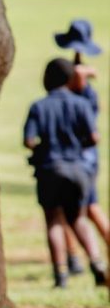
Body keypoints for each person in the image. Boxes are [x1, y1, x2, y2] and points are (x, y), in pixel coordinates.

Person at [24, 59, 105, 288]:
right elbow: (94, 137)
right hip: (78, 169)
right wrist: (78, 145)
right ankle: (97, 263)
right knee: (78, 218)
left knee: (54, 221)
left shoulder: (39, 106)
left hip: (50, 169)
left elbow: (29, 140)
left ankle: (61, 274)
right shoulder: (81, 104)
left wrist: (41, 146)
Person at [55, 20, 107, 269]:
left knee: (85, 210)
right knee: (73, 210)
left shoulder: (79, 84)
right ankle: (73, 258)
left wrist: (83, 74)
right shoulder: (76, 79)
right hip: (79, 156)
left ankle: (87, 258)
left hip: (80, 156)